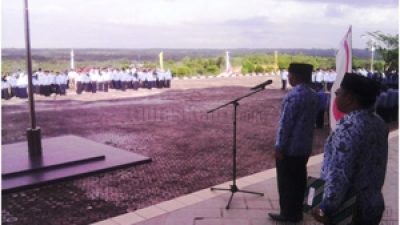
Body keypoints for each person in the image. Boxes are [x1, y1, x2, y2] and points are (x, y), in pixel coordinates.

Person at [312, 73, 388, 225]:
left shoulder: (348, 128)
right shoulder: (378, 122)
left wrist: (325, 208)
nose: (336, 95)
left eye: (338, 92)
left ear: (350, 98)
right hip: (373, 204)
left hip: (349, 210)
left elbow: (340, 174)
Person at [268, 63, 319, 223]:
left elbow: (286, 124)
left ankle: (288, 214)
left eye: (289, 75)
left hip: (290, 148)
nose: (288, 78)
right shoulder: (313, 94)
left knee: (286, 183)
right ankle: (297, 211)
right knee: (299, 181)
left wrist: (279, 147)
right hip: (304, 146)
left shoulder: (294, 95)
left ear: (295, 76)